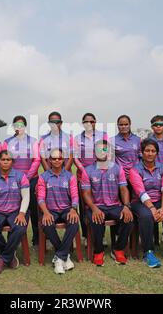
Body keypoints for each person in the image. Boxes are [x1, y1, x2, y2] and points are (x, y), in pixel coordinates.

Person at [129, 139, 163, 268]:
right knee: (147, 216)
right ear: (142, 152)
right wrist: (152, 208)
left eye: (153, 151)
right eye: (147, 150)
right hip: (140, 202)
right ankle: (148, 252)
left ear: (157, 153)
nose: (150, 153)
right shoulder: (135, 170)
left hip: (160, 200)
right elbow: (140, 192)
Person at [81, 140, 134, 266]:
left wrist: (126, 206)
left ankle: (118, 249)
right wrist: (94, 208)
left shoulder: (117, 168)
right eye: (99, 149)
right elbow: (86, 194)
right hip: (96, 206)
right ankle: (98, 251)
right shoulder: (87, 170)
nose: (101, 152)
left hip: (115, 205)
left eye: (104, 149)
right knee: (96, 219)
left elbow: (123, 189)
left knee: (128, 219)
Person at [0, 150, 30, 274]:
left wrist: (21, 213)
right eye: (3, 159)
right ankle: (9, 254)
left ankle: (3, 259)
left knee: (20, 228)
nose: (5, 162)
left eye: (8, 160)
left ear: (12, 162)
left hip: (16, 211)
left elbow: (26, 197)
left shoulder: (21, 176)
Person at [37, 149, 80, 274]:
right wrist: (45, 212)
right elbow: (40, 198)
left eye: (59, 158)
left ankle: (59, 257)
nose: (56, 160)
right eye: (54, 158)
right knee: (47, 223)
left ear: (63, 160)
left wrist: (73, 209)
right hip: (50, 210)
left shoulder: (70, 176)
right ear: (49, 160)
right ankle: (64, 256)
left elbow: (75, 196)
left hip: (67, 209)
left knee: (74, 222)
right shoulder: (43, 177)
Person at [2, 116, 41, 248]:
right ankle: (14, 239)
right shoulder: (7, 142)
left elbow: (37, 160)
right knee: (14, 210)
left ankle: (37, 239)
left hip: (32, 180)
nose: (19, 127)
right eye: (16, 125)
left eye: (21, 124)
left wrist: (27, 177)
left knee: (34, 211)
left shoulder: (33, 141)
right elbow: (5, 161)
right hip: (12, 181)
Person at [73, 113, 108, 244]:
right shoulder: (77, 138)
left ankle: (101, 235)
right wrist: (85, 171)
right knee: (85, 207)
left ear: (95, 122)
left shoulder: (103, 135)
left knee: (101, 204)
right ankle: (86, 236)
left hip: (101, 175)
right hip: (84, 176)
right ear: (83, 123)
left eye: (92, 121)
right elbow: (75, 158)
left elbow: (106, 154)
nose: (89, 124)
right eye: (86, 121)